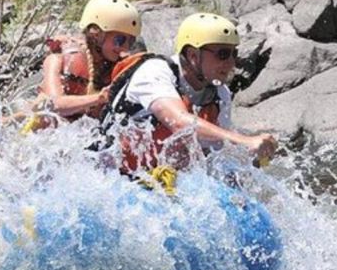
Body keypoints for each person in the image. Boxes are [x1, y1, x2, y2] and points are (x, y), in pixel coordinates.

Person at [100, 12, 277, 175]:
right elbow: (178, 122)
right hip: (110, 178)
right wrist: (244, 141)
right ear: (193, 55)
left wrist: (254, 158)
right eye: (223, 54)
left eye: (234, 54)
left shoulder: (220, 93)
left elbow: (217, 153)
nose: (231, 63)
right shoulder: (155, 71)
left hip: (158, 180)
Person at [34, 0, 141, 127]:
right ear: (96, 34)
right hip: (46, 135)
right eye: (119, 40)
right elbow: (52, 105)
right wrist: (99, 98)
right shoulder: (57, 60)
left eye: (130, 42)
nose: (124, 48)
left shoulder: (118, 65)